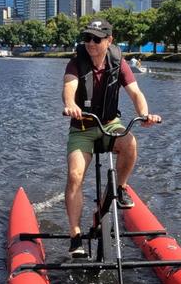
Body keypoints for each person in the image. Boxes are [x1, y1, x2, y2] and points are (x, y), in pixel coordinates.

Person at [62, 18, 161, 257]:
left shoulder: (118, 63)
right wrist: (70, 105)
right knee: (75, 176)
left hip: (109, 124)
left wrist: (144, 114)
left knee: (129, 143)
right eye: (87, 38)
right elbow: (69, 89)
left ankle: (120, 188)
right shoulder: (76, 63)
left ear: (109, 41)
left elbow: (135, 92)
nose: (91, 43)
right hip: (83, 128)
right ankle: (75, 236)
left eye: (97, 39)